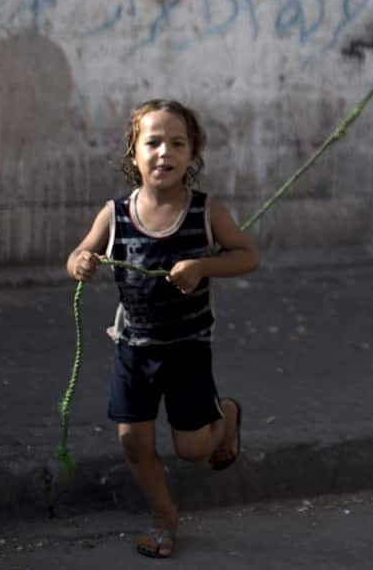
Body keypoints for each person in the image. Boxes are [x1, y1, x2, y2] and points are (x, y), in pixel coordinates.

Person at [67, 98, 260, 559]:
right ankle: (164, 518)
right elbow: (79, 255)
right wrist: (81, 262)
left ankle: (226, 415)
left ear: (192, 155)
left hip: (189, 348)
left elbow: (247, 256)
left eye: (178, 143)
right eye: (152, 142)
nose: (164, 152)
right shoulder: (114, 214)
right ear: (133, 154)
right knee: (133, 441)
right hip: (134, 348)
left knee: (193, 450)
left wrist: (201, 266)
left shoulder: (205, 212)